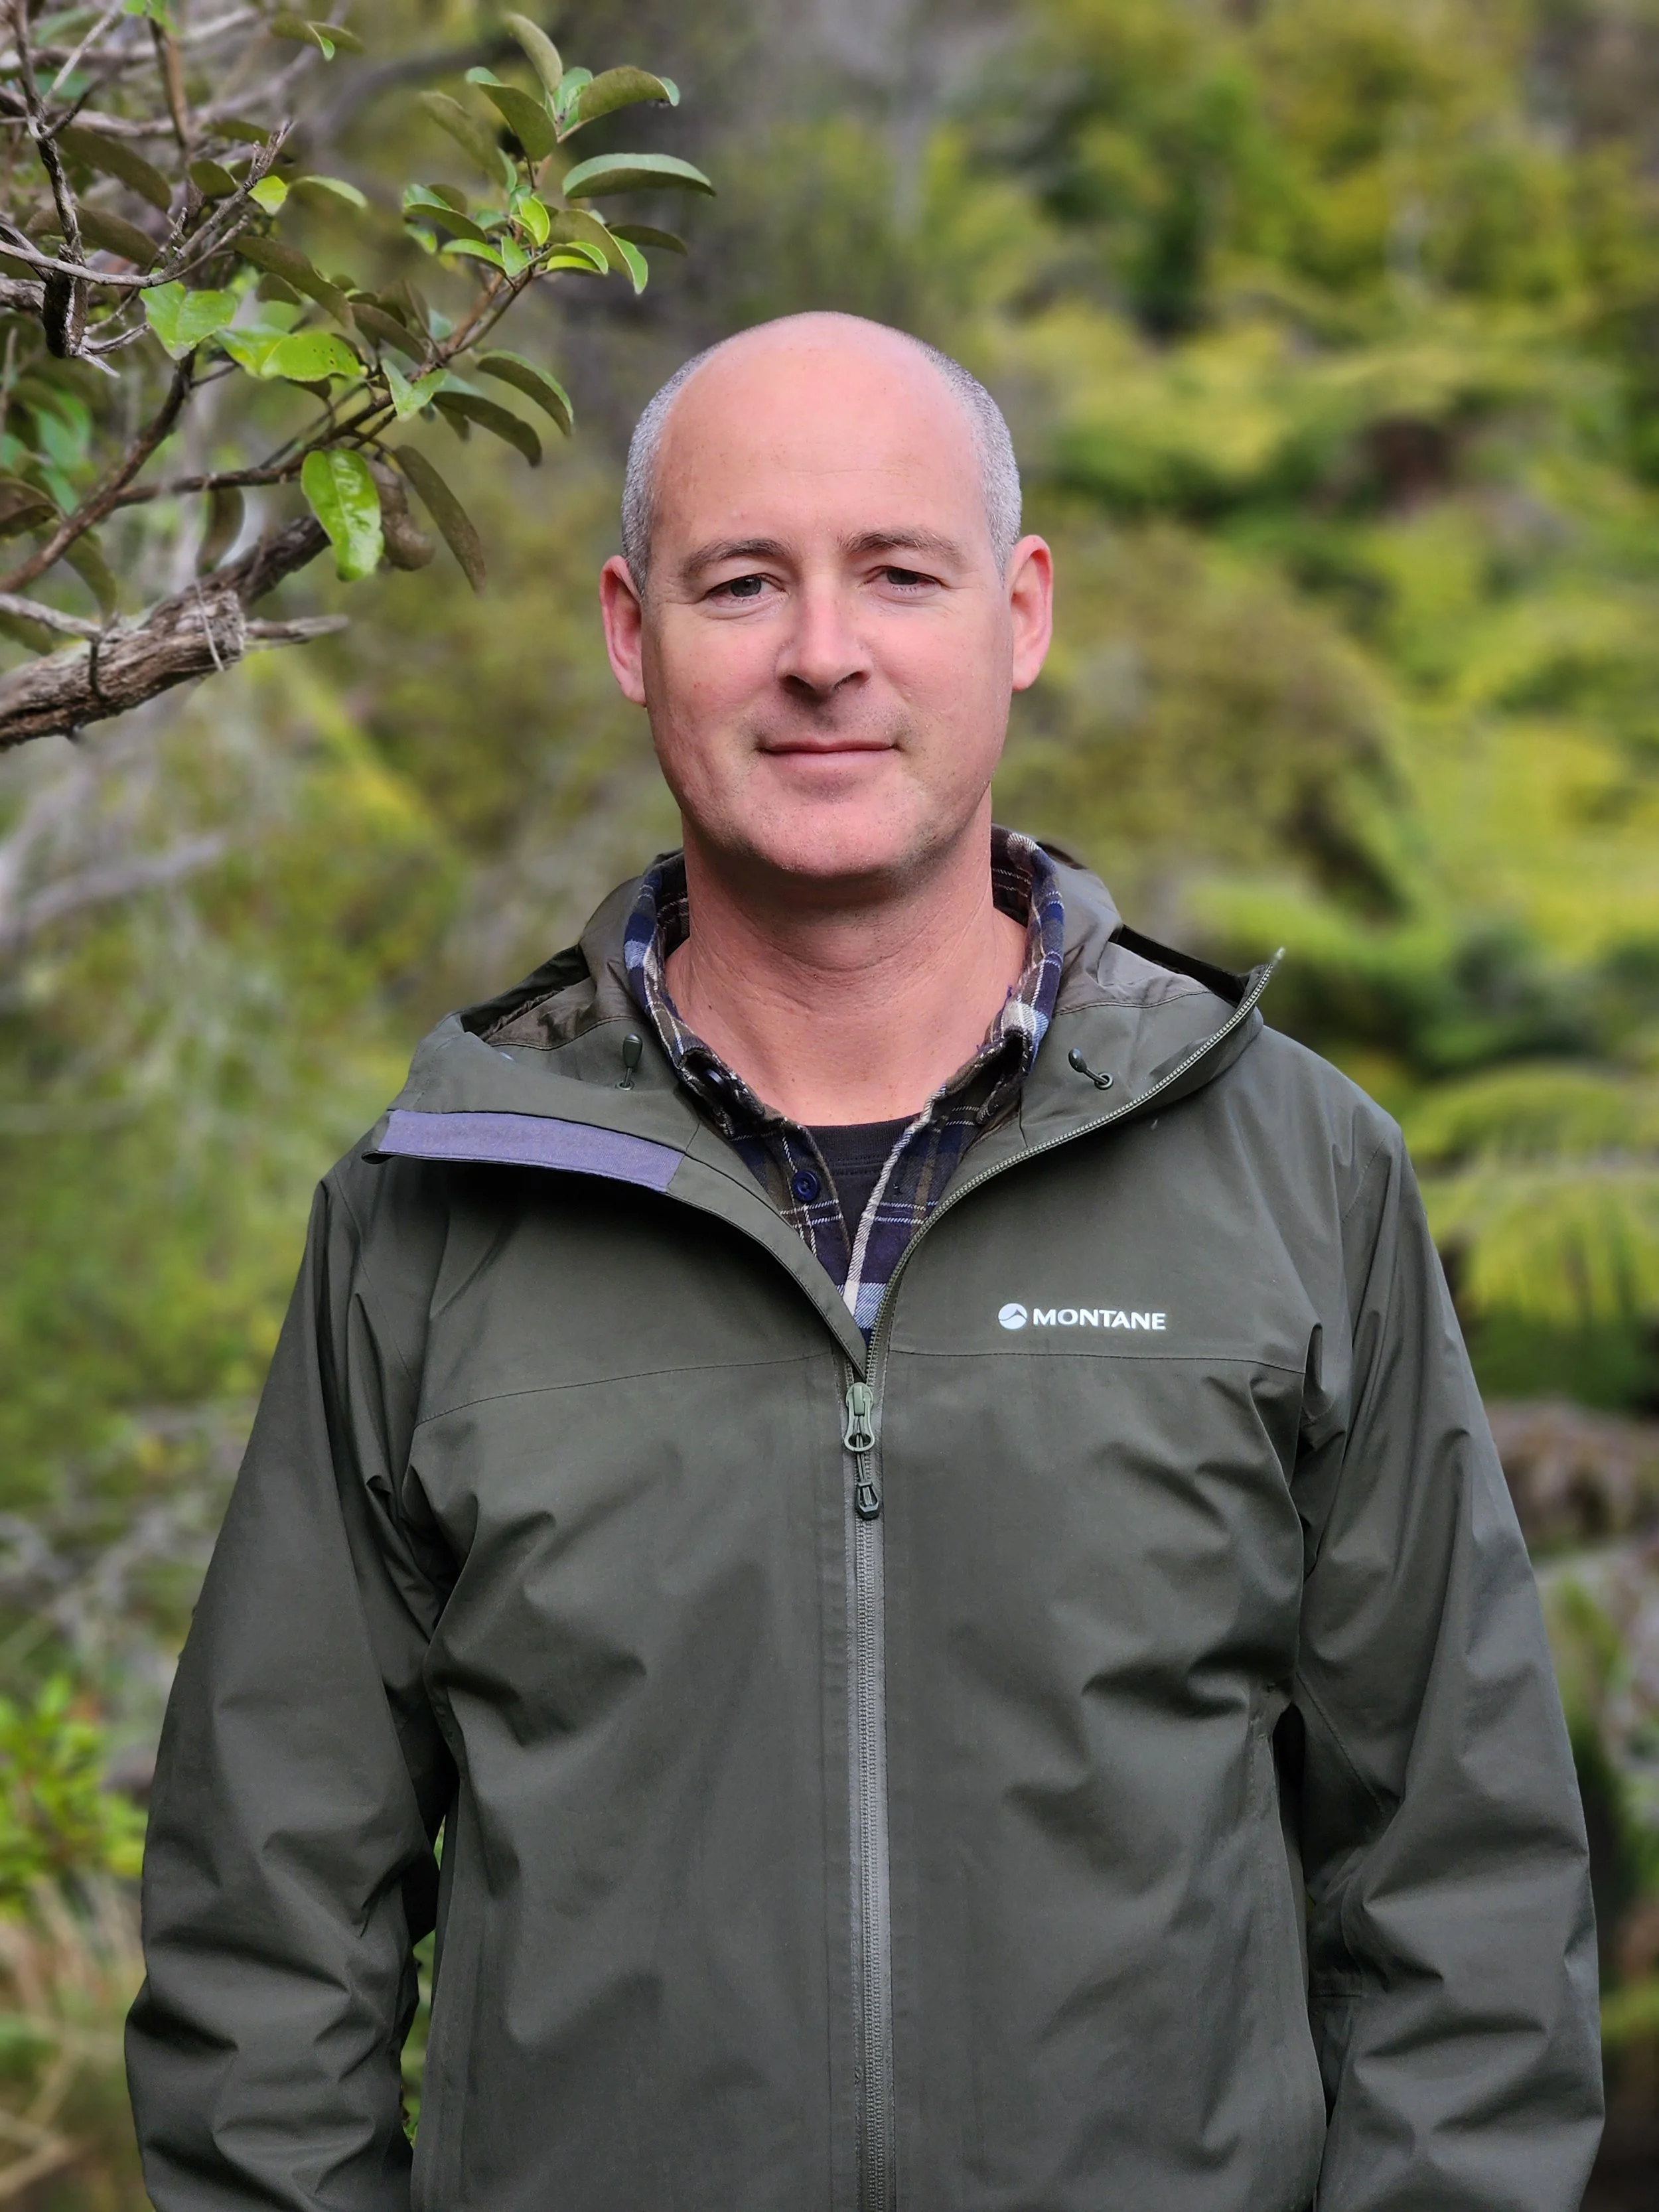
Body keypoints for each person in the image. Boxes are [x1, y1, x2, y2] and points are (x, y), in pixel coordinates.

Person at [126, 313, 1603, 2212]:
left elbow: (1460, 1892)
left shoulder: (1299, 1174)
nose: (822, 653)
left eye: (896, 573)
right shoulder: (431, 1210)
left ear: (1019, 613)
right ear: (628, 631)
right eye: (742, 580)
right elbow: (269, 1943)